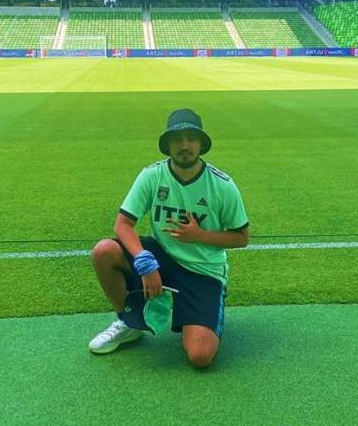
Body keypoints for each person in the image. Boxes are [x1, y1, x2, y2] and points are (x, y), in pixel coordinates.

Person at [89, 109, 249, 368]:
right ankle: (129, 321)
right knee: (104, 251)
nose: (184, 145)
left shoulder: (222, 185)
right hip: (161, 258)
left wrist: (200, 235)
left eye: (191, 138)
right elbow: (123, 224)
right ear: (168, 145)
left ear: (201, 144)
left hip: (203, 271)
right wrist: (144, 260)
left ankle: (197, 309)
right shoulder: (152, 175)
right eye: (177, 139)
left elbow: (242, 238)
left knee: (200, 357)